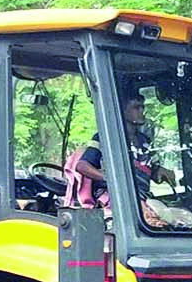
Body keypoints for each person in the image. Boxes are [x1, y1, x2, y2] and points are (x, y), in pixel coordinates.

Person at [68, 89, 175, 223]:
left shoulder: (145, 141)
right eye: (136, 108)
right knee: (151, 220)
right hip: (116, 198)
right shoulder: (105, 138)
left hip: (143, 197)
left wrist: (162, 172)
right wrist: (110, 178)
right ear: (123, 112)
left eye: (143, 107)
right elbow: (82, 166)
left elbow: (152, 172)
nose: (142, 111)